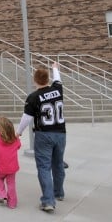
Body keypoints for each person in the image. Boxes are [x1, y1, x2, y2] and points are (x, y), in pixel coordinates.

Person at [16, 62, 66, 214]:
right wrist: (55, 68)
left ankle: (48, 201)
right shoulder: (58, 90)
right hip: (61, 133)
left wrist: (18, 132)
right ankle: (59, 193)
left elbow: (26, 118)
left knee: (44, 167)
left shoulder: (33, 97)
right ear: (48, 79)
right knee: (58, 164)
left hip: (43, 134)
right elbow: (58, 80)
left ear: (35, 80)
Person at [0, 116, 21, 209]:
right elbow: (18, 146)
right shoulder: (14, 138)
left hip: (1, 166)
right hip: (12, 167)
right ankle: (12, 203)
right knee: (11, 184)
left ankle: (2, 194)